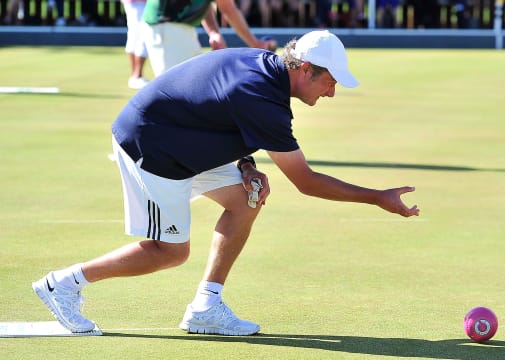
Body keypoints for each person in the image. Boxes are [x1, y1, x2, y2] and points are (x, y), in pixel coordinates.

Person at [32, 30, 420, 336]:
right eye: (329, 82)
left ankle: (206, 307)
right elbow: (306, 181)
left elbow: (218, 114)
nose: (332, 92)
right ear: (305, 70)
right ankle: (61, 285)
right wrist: (378, 197)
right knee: (169, 251)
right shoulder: (261, 97)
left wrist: (247, 166)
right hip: (151, 144)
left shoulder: (266, 70)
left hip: (184, 136)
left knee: (247, 197)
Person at [141, 0, 277, 76]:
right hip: (168, 28)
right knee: (176, 94)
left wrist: (213, 32)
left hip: (179, 29)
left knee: (190, 87)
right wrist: (255, 43)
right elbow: (228, 9)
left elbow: (205, 3)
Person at [121, 0, 150, 89]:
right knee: (143, 35)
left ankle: (135, 76)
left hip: (135, 3)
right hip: (138, 2)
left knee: (135, 35)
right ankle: (137, 75)